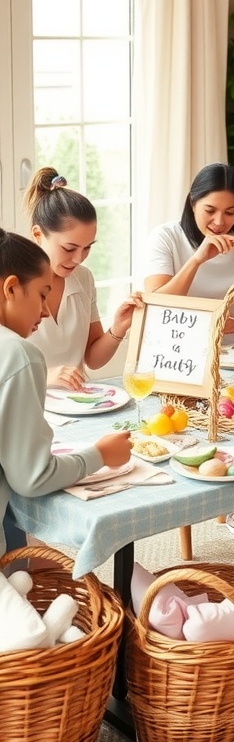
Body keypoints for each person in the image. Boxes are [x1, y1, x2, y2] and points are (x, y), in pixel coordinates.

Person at [144, 162, 234, 539]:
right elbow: (156, 304)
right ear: (191, 203)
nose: (221, 222)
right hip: (179, 352)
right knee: (196, 418)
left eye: (231, 211)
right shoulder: (167, 238)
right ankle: (195, 496)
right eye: (210, 211)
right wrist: (198, 258)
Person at [0, 228, 132, 555]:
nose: (45, 311)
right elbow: (33, 478)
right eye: (42, 294)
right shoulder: (18, 354)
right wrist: (100, 455)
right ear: (11, 288)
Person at [23, 167, 143, 390]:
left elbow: (93, 359)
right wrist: (45, 376)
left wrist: (119, 327)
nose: (79, 259)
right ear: (38, 234)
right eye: (69, 248)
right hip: (30, 405)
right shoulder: (12, 286)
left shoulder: (83, 279)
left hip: (81, 403)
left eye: (87, 248)